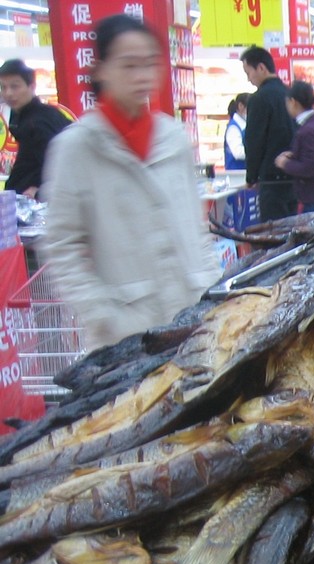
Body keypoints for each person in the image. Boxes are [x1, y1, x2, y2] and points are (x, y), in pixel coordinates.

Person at [42, 14, 220, 350]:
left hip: (192, 318)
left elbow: (195, 227)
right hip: (126, 333)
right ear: (101, 70)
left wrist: (211, 284)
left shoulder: (173, 138)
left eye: (149, 64)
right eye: (129, 65)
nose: (142, 76)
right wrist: (99, 313)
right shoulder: (77, 148)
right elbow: (62, 243)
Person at [0, 58, 70, 199]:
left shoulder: (39, 122)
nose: (8, 93)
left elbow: (62, 164)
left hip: (37, 204)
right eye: (3, 87)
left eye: (14, 87)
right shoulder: (22, 115)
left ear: (32, 86)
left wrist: (40, 192)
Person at [240, 45, 296, 221]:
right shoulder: (290, 93)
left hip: (271, 180)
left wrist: (251, 177)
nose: (249, 79)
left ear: (261, 68)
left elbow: (254, 141)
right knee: (293, 229)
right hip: (295, 177)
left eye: (248, 73)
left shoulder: (259, 99)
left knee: (274, 232)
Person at [274, 80, 314, 214]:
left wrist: (285, 163)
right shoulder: (313, 124)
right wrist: (294, 156)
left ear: (293, 102)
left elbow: (309, 167)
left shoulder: (308, 130)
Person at [224, 92, 248, 172]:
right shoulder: (233, 128)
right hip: (236, 172)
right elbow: (238, 153)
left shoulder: (244, 125)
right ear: (241, 106)